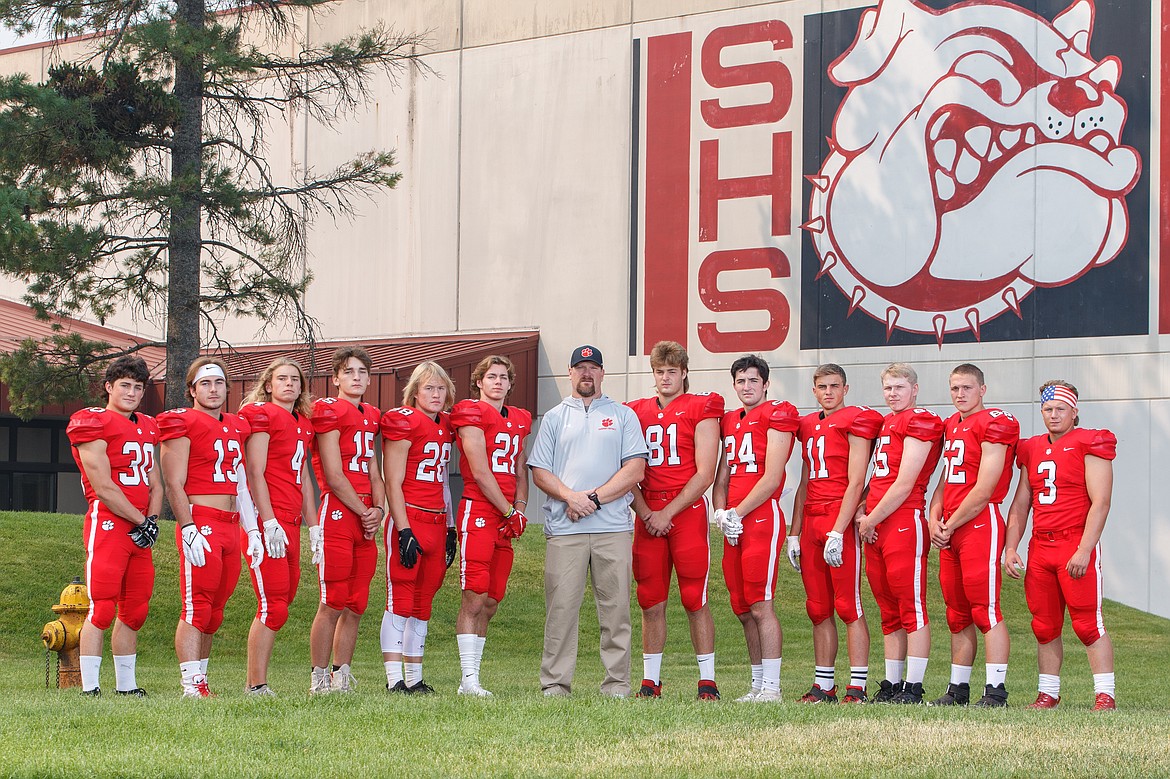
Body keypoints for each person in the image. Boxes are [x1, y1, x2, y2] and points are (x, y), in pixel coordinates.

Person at [530, 345, 648, 697]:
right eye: (579, 367)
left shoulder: (623, 415)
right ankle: (555, 684)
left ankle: (616, 685)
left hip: (612, 528)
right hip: (565, 530)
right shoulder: (554, 418)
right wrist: (570, 497)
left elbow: (635, 469)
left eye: (592, 367)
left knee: (616, 613)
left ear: (602, 373)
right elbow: (539, 471)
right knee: (561, 610)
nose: (586, 373)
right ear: (569, 373)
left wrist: (591, 499)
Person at [1004, 380, 1117, 710]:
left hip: (1073, 543)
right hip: (1040, 547)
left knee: (1087, 623)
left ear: (1074, 411)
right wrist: (1012, 547)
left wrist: (1084, 548)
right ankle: (1048, 693)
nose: (1053, 415)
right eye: (1048, 409)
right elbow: (1021, 503)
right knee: (1044, 625)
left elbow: (1101, 502)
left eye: (1060, 409)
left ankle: (1105, 694)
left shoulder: (1089, 442)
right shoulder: (1032, 447)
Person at [158, 357, 262, 697]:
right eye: (205, 383)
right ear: (192, 389)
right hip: (201, 521)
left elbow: (242, 482)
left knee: (215, 610)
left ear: (227, 388)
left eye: (218, 383)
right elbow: (174, 483)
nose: (213, 389)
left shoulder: (236, 425)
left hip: (231, 525)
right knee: (196, 605)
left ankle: (201, 680)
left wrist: (253, 529)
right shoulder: (182, 421)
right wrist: (187, 527)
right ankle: (190, 684)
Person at [626, 341, 724, 700]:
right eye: (659, 371)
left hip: (685, 512)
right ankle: (651, 681)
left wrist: (666, 513)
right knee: (650, 598)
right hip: (647, 511)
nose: (665, 377)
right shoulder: (634, 411)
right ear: (652, 374)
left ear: (684, 372)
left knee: (694, 596)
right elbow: (626, 469)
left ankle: (707, 681)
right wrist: (646, 511)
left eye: (671, 371)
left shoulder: (702, 406)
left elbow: (705, 472)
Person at [67, 356, 162, 697]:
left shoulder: (149, 426)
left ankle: (126, 686)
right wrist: (141, 521)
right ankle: (90, 687)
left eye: (138, 387)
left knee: (135, 610)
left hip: (140, 526)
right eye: (125, 385)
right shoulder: (92, 422)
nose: (132, 392)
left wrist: (151, 519)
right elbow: (104, 486)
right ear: (108, 387)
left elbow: (155, 481)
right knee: (103, 606)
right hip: (109, 523)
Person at [928, 363, 1019, 707]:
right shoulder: (952, 424)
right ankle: (958, 689)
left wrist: (950, 524)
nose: (960, 394)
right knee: (957, 612)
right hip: (951, 526)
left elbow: (985, 488)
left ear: (983, 389)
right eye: (955, 388)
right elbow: (945, 479)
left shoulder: (995, 421)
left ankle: (995, 691)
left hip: (980, 523)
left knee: (986, 609)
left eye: (967, 388)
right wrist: (933, 516)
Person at [791, 364, 882, 703]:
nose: (828, 392)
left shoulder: (855, 420)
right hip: (812, 516)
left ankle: (857, 686)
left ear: (846, 388)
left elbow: (857, 481)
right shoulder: (808, 425)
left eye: (834, 386)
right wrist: (794, 532)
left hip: (836, 516)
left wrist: (838, 530)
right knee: (818, 607)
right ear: (814, 390)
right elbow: (804, 481)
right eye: (821, 386)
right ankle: (823, 685)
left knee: (848, 605)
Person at [711, 354, 799, 703]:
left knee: (761, 604)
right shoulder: (731, 419)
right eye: (740, 381)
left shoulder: (777, 413)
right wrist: (721, 512)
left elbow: (773, 476)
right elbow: (722, 476)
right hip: (735, 518)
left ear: (765, 383)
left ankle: (773, 688)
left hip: (761, 516)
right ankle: (757, 684)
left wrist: (738, 511)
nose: (746, 387)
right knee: (742, 606)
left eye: (752, 380)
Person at [856, 363, 943, 704]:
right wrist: (864, 509)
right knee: (888, 609)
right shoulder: (888, 422)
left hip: (902, 520)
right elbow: (879, 478)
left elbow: (905, 483)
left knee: (912, 607)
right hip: (877, 522)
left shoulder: (919, 420)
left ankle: (914, 685)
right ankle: (892, 682)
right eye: (888, 388)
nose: (893, 394)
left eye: (900, 388)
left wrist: (870, 519)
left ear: (915, 389)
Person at [451, 355, 533, 697]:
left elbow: (520, 467)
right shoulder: (470, 411)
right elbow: (481, 470)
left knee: (492, 601)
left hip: (505, 513)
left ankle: (473, 676)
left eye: (503, 377)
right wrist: (507, 510)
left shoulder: (519, 418)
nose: (498, 382)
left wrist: (521, 508)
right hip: (479, 509)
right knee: (474, 596)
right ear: (479, 382)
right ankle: (468, 679)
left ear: (511, 384)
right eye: (491, 376)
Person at [308, 347, 385, 693]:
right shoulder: (327, 410)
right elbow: (335, 474)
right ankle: (319, 676)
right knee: (332, 599)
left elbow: (373, 468)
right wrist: (364, 511)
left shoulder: (371, 414)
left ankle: (342, 675)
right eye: (349, 372)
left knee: (357, 602)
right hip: (339, 512)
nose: (356, 377)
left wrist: (379, 510)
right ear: (336, 378)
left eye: (362, 372)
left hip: (366, 513)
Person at [238, 358, 316, 695]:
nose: (289, 384)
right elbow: (254, 472)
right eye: (281, 378)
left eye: (295, 379)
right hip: (267, 519)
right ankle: (256, 685)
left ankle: (255, 681)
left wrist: (315, 528)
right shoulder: (261, 414)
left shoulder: (303, 423)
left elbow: (305, 480)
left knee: (284, 601)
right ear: (268, 384)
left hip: (293, 521)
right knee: (273, 605)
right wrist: (267, 521)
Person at [379, 361, 457, 694]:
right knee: (400, 598)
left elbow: (442, 481)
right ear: (415, 391)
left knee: (424, 601)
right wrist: (402, 529)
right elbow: (392, 481)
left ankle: (414, 678)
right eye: (429, 388)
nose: (436, 394)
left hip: (437, 521)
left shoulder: (446, 426)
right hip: (410, 515)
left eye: (441, 388)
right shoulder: (404, 421)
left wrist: (451, 526)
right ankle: (394, 678)